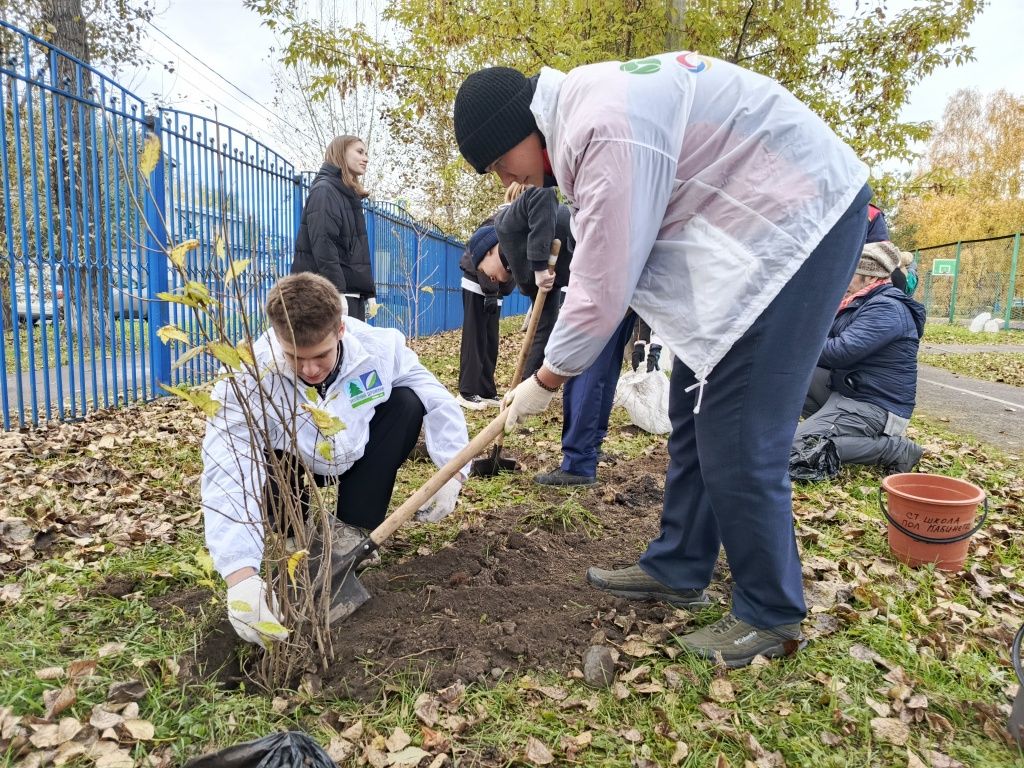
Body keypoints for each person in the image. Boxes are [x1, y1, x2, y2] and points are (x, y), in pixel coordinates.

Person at [454, 51, 871, 667]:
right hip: (749, 232)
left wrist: (546, 379)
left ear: (521, 129)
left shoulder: (601, 128)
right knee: (694, 401)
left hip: (797, 230)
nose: (504, 180)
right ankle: (679, 566)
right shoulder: (588, 115)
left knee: (740, 427)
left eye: (496, 162)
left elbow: (602, 286)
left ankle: (771, 613)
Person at [201, 273, 469, 647]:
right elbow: (227, 462)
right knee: (259, 444)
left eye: (320, 356)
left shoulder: (376, 349)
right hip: (292, 467)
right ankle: (292, 538)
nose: (310, 370)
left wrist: (452, 472)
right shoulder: (249, 376)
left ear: (340, 328)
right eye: (295, 357)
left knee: (406, 402)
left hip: (355, 454)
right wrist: (239, 575)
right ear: (277, 337)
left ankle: (350, 537)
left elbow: (435, 396)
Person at [792, 241, 925, 475]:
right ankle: (831, 428)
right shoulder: (857, 302)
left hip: (878, 405)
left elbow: (839, 352)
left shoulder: (887, 308)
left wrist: (793, 345)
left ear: (871, 278)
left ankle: (895, 449)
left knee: (798, 448)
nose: (844, 279)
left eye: (852, 273)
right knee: (790, 375)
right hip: (850, 391)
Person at [292, 135, 376, 321]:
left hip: (348, 293)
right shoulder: (325, 190)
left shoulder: (347, 194)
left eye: (366, 153)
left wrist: (368, 292)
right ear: (341, 153)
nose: (366, 158)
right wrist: (336, 292)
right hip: (326, 296)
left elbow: (356, 253)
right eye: (360, 152)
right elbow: (324, 244)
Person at [494, 182, 573, 377]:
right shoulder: (528, 276)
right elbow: (541, 333)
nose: (491, 278)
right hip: (563, 279)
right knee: (543, 330)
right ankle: (524, 389)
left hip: (596, 250)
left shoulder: (505, 224)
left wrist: (539, 267)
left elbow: (543, 192)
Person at [457, 222, 515, 410]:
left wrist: (496, 291)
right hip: (477, 284)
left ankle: (485, 389)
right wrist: (489, 289)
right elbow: (480, 257)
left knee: (491, 340)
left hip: (495, 289)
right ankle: (466, 392)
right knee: (475, 338)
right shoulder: (500, 221)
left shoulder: (520, 221)